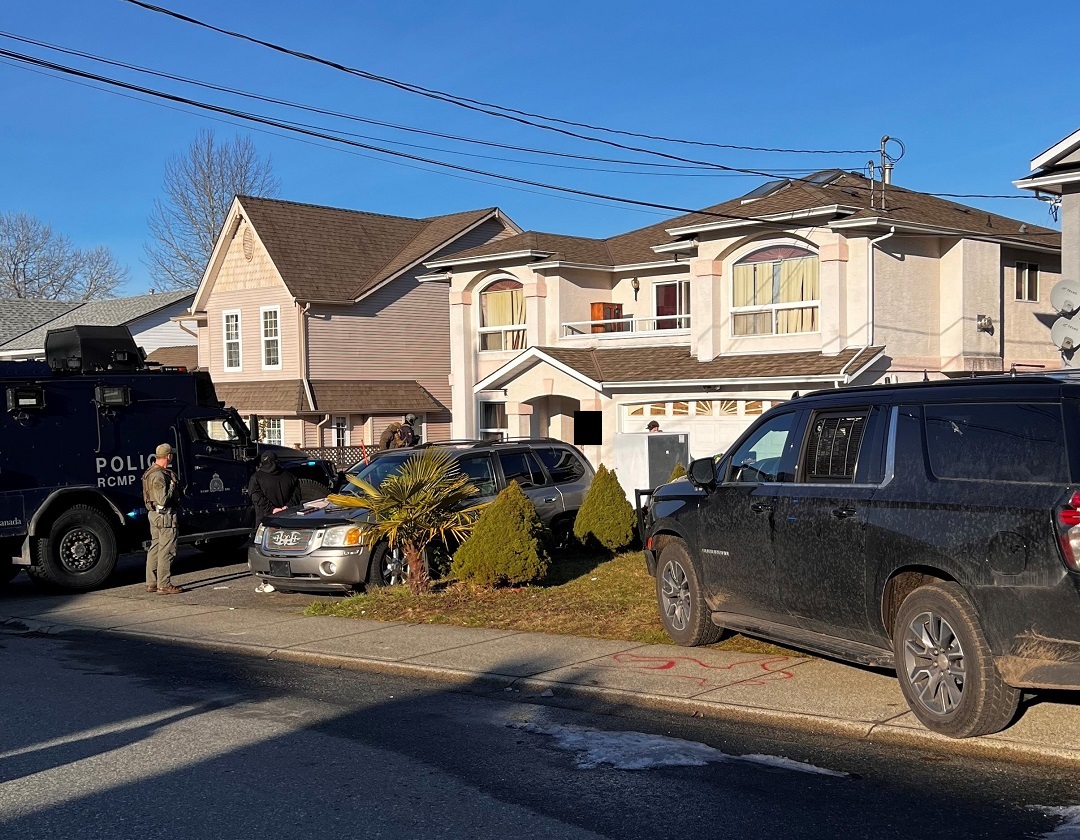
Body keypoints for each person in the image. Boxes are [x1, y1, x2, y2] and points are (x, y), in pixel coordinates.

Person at [248, 451, 301, 593]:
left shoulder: (257, 477)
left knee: (265, 551)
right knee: (285, 550)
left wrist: (271, 509)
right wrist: (286, 507)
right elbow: (297, 496)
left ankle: (267, 581)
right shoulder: (289, 476)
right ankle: (288, 580)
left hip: (265, 521)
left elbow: (256, 497)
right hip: (286, 519)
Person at [143, 442, 182, 595]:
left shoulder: (150, 472)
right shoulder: (159, 476)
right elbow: (163, 499)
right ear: (168, 456)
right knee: (167, 550)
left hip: (154, 515)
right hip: (165, 516)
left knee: (155, 547)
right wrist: (172, 486)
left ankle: (151, 582)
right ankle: (164, 584)